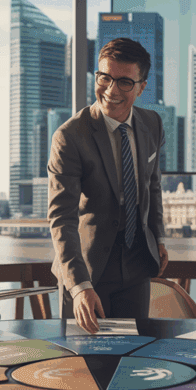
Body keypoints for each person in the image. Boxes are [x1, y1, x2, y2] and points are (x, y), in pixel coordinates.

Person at [48, 37, 169, 333]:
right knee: (84, 368)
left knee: (134, 360)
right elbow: (62, 218)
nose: (112, 90)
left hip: (136, 264)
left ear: (141, 87)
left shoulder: (153, 124)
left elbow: (152, 186)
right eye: (105, 78)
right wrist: (78, 286)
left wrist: (159, 238)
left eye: (125, 82)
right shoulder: (70, 136)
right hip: (87, 268)